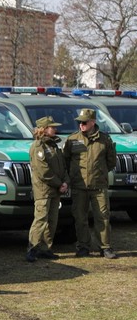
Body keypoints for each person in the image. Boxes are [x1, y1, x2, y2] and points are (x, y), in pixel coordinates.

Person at [62, 108, 118, 259]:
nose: (81, 125)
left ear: (93, 122)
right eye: (79, 122)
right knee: (80, 218)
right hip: (79, 186)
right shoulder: (72, 139)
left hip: (99, 186)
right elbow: (65, 161)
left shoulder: (104, 140)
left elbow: (111, 162)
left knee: (103, 217)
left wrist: (99, 173)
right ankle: (83, 246)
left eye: (84, 122)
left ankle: (105, 247)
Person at [26, 116, 69, 262]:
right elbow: (43, 171)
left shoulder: (53, 145)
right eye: (52, 127)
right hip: (44, 190)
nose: (55, 129)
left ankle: (45, 248)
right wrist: (59, 184)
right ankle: (32, 248)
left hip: (55, 189)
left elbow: (62, 166)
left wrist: (65, 181)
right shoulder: (38, 146)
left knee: (52, 220)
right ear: (43, 129)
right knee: (41, 219)